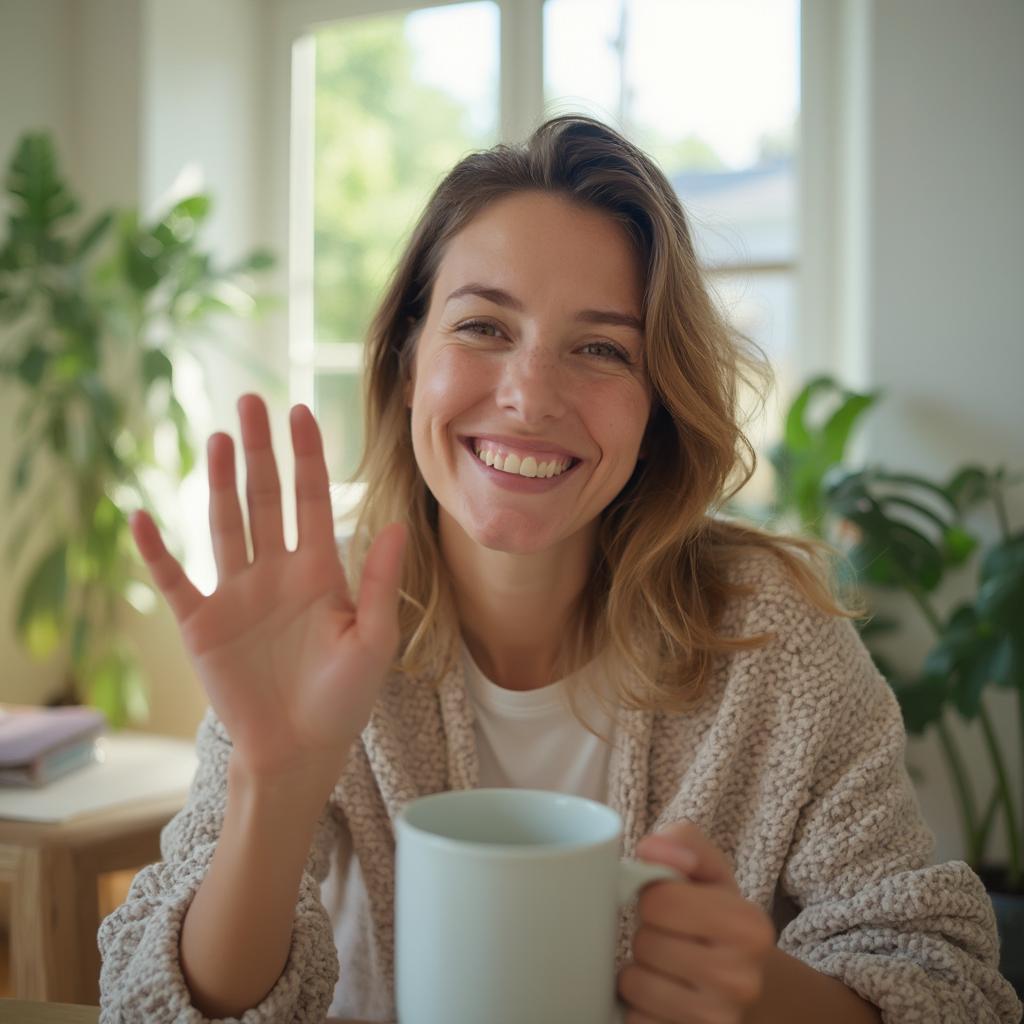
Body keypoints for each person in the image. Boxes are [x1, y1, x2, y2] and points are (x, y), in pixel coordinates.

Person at [98, 115, 1021, 1024]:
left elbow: (953, 985)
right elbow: (152, 1005)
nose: (529, 397)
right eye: (484, 326)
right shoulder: (317, 624)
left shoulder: (778, 641)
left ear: (658, 404)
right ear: (408, 359)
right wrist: (274, 782)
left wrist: (769, 999)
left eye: (600, 349)